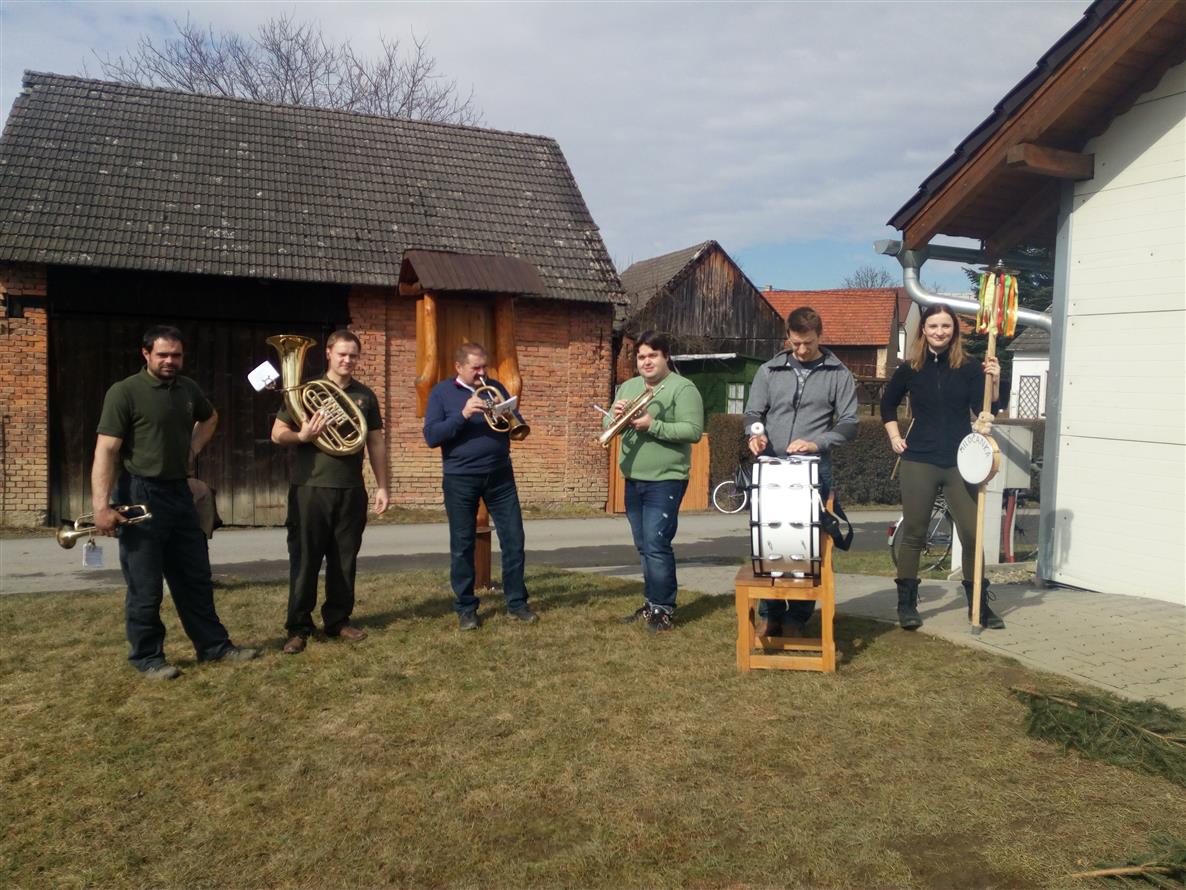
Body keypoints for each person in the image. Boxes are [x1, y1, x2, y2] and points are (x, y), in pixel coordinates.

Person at [91, 325, 256, 680]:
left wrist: (192, 449)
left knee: (195, 577)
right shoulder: (124, 392)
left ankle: (214, 647)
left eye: (176, 355)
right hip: (139, 492)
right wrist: (101, 507)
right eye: (162, 354)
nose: (170, 361)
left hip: (179, 493)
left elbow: (210, 417)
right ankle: (148, 657)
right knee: (146, 585)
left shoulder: (188, 389)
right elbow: (106, 450)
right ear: (146, 353)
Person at [880, 302, 1005, 630]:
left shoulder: (970, 367)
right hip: (919, 459)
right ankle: (906, 605)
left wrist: (994, 382)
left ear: (954, 330)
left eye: (945, 326)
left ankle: (978, 604)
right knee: (914, 533)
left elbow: (985, 410)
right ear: (923, 329)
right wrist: (894, 437)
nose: (939, 332)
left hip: (960, 462)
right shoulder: (911, 368)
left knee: (972, 533)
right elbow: (887, 404)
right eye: (933, 326)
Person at [742, 307, 859, 636]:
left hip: (814, 470)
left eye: (808, 343)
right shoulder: (769, 370)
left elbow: (849, 423)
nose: (802, 350)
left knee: (808, 546)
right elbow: (753, 412)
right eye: (796, 343)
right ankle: (770, 614)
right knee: (769, 541)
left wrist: (817, 442)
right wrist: (754, 434)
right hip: (771, 468)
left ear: (820, 336)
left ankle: (797, 618)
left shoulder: (838, 373)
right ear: (788, 338)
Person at [271, 329, 389, 654]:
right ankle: (298, 627)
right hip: (309, 488)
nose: (348, 360)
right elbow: (277, 433)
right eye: (342, 354)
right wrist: (303, 436)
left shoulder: (365, 395)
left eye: (353, 355)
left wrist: (383, 486)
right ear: (328, 353)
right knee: (305, 559)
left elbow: (375, 442)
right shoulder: (304, 390)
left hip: (350, 489)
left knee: (344, 560)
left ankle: (338, 620)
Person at [423, 342, 536, 631]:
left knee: (514, 540)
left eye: (484, 367)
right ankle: (466, 608)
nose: (482, 373)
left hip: (500, 476)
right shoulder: (441, 393)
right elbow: (432, 436)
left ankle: (517, 603)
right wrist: (462, 414)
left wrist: (506, 416)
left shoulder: (494, 387)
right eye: (476, 368)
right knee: (463, 545)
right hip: (460, 478)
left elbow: (516, 424)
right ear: (458, 367)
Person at [610, 331, 704, 633]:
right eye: (641, 357)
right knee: (643, 545)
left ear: (666, 357)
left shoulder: (683, 388)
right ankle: (651, 603)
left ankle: (663, 609)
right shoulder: (628, 387)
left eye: (653, 355)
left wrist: (653, 425)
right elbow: (607, 424)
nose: (646, 362)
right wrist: (616, 416)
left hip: (666, 479)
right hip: (633, 477)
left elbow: (692, 430)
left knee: (656, 543)